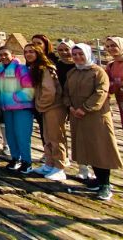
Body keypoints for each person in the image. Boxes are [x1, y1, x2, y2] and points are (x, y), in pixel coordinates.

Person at [64, 43, 123, 201]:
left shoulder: (98, 72)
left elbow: (101, 92)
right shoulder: (72, 72)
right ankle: (98, 180)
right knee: (87, 147)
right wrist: (70, 106)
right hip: (78, 117)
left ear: (88, 54)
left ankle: (105, 185)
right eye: (75, 54)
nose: (77, 57)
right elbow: (66, 92)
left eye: (80, 54)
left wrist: (85, 108)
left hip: (95, 117)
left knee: (100, 148)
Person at [24, 43, 68, 181]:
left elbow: (50, 91)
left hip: (53, 106)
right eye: (26, 52)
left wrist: (40, 104)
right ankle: (50, 163)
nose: (28, 54)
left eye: (31, 51)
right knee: (47, 136)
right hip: (45, 107)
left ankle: (60, 167)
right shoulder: (35, 68)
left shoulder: (45, 68)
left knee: (56, 137)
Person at [0, 45, 35, 173]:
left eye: (5, 54)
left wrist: (13, 97)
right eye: (0, 55)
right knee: (11, 135)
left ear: (12, 55)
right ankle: (15, 158)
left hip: (21, 108)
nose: (3, 57)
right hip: (7, 109)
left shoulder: (21, 69)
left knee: (22, 135)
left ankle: (26, 161)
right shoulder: (1, 71)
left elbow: (29, 90)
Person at [105, 36, 123, 129]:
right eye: (107, 46)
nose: (110, 48)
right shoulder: (111, 65)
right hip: (120, 100)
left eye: (113, 45)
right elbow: (106, 85)